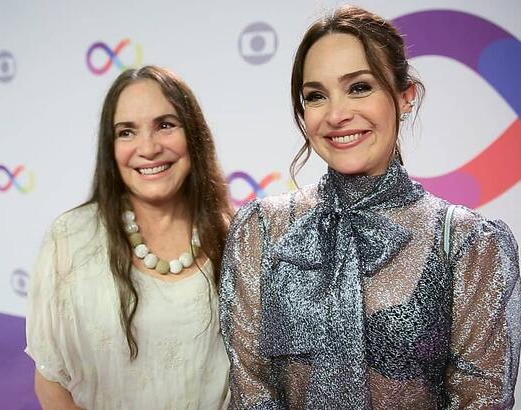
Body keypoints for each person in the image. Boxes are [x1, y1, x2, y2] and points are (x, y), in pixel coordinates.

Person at [220, 6, 521, 409]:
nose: (337, 115)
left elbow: (481, 398)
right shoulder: (261, 229)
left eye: (359, 87)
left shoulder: (469, 242)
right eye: (315, 96)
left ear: (405, 96)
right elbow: (251, 388)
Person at [26, 66, 233, 409]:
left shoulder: (237, 240)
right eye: (126, 132)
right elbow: (51, 384)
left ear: (193, 135)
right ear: (111, 147)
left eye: (165, 125)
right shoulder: (69, 239)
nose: (148, 148)